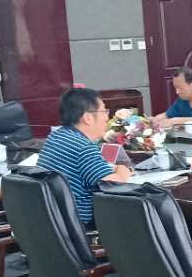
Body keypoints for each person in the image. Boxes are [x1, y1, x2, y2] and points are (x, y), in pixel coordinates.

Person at [37, 87, 134, 226]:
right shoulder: (82, 146)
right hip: (82, 226)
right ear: (88, 118)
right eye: (104, 111)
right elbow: (113, 185)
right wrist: (123, 169)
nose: (107, 117)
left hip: (55, 222)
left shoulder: (56, 137)